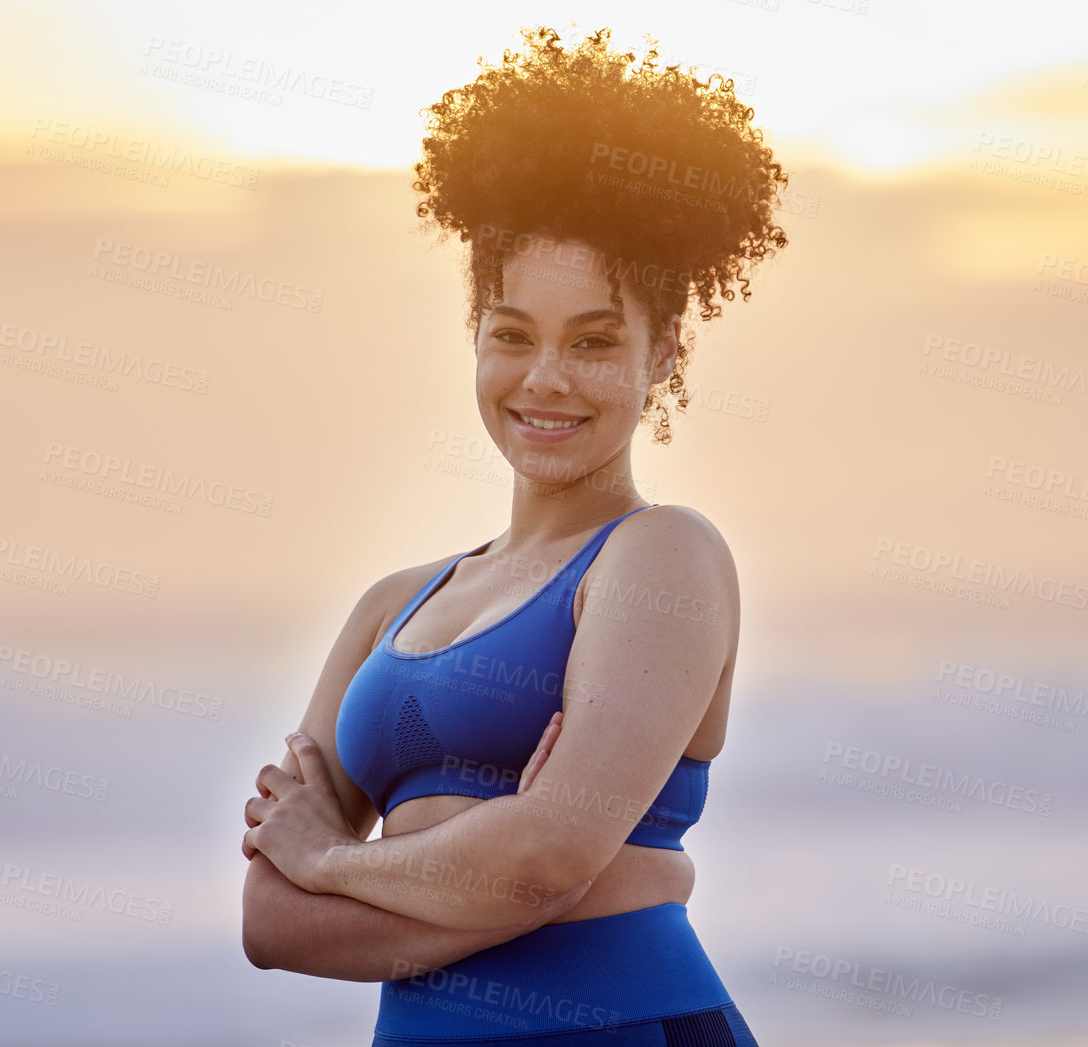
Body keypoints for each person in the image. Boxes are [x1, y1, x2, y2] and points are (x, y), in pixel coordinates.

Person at [239, 25, 788, 1045]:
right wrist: (504, 872)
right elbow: (269, 923)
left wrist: (336, 862)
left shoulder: (660, 557)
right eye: (510, 336)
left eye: (591, 341)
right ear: (473, 336)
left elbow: (537, 864)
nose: (543, 379)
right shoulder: (386, 605)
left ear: (661, 350)